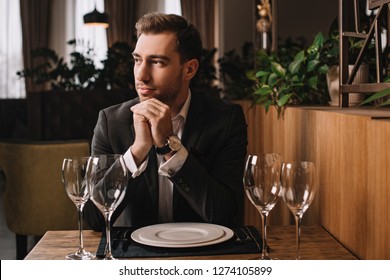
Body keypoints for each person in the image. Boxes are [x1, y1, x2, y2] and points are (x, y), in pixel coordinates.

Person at [84, 12, 248, 231]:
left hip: (200, 254)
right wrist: (137, 151)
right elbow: (93, 218)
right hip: (133, 256)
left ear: (189, 69)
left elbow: (226, 216)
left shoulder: (225, 120)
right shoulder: (111, 122)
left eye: (157, 62)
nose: (141, 75)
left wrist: (169, 147)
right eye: (137, 60)